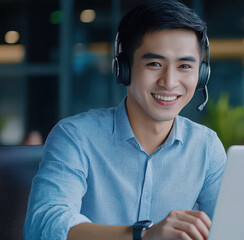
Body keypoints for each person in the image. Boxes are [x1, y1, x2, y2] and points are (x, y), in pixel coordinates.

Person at [23, 1, 226, 239]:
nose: (169, 82)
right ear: (124, 68)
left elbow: (232, 228)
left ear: (201, 75)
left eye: (184, 66)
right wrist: (143, 235)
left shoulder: (207, 147)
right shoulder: (75, 136)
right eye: (155, 64)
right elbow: (44, 225)